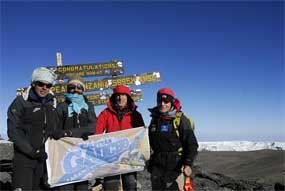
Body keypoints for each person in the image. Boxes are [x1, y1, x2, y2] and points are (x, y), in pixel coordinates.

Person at [7, 67, 58, 190]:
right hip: (24, 158)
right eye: (41, 84)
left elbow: (53, 128)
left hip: (43, 159)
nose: (44, 88)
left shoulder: (52, 103)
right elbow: (13, 131)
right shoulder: (21, 102)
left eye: (48, 85)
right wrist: (31, 151)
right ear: (34, 83)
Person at [95, 85, 145, 191]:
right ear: (114, 97)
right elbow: (97, 133)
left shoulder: (136, 115)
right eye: (117, 95)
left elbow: (142, 136)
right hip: (111, 158)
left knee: (130, 185)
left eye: (123, 95)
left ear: (128, 97)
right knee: (110, 187)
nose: (120, 98)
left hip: (130, 158)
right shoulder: (105, 114)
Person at [148, 87, 198, 191]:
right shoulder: (154, 119)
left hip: (175, 168)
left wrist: (188, 164)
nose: (162, 104)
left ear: (171, 102)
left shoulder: (180, 120)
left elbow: (192, 144)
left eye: (166, 101)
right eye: (160, 101)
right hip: (157, 169)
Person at [51, 77, 97, 191]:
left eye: (79, 87)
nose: (75, 90)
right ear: (68, 89)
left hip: (83, 155)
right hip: (65, 155)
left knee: (82, 187)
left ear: (83, 90)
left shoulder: (88, 106)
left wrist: (69, 132)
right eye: (72, 87)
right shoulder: (62, 106)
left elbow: (93, 127)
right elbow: (55, 129)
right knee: (66, 187)